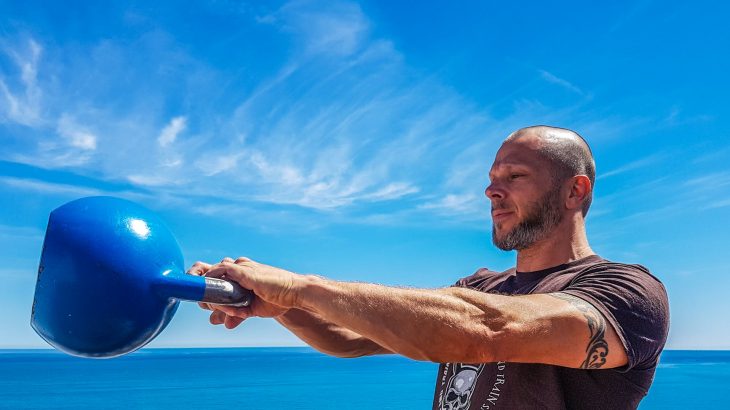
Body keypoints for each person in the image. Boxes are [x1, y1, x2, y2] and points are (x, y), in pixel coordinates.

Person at [188, 125, 669, 409]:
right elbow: (354, 339)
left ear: (575, 191)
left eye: (514, 177)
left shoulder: (625, 293)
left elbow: (482, 330)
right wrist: (280, 307)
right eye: (491, 179)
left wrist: (297, 288)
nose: (491, 192)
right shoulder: (482, 286)